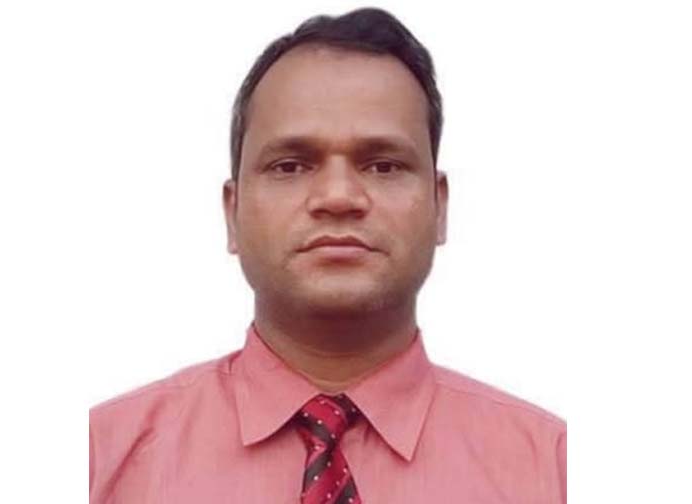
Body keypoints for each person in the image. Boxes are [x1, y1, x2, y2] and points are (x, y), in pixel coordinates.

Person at [89, 7, 566, 503]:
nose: (338, 197)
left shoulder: (553, 470)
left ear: (439, 206)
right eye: (290, 166)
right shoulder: (100, 460)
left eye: (383, 166)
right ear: (232, 212)